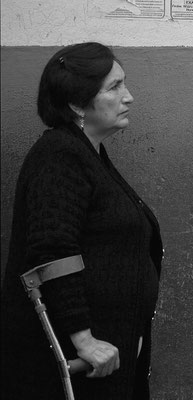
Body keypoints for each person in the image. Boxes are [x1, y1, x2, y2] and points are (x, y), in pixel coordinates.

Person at [0, 42, 164, 400]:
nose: (129, 96)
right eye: (114, 87)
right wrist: (84, 339)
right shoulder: (60, 155)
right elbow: (52, 252)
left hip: (107, 355)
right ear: (77, 103)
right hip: (79, 362)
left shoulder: (88, 154)